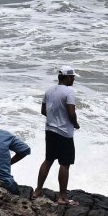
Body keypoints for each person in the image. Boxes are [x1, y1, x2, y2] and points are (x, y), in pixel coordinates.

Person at [35, 65, 81, 206]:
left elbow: (43, 110)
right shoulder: (69, 92)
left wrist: (54, 119)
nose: (73, 79)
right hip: (64, 133)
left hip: (50, 130)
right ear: (67, 77)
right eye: (72, 77)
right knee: (65, 164)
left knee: (48, 160)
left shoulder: (49, 90)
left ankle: (37, 191)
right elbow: (71, 113)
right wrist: (75, 124)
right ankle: (62, 197)